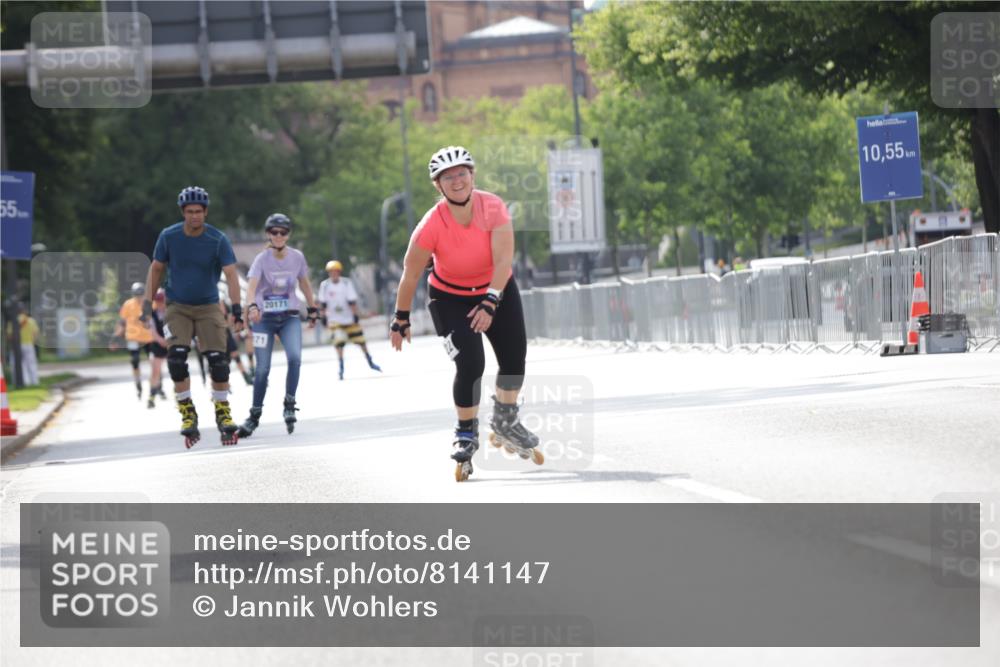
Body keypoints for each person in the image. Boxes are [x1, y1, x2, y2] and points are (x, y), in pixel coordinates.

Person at [390, 145, 543, 482]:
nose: (457, 180)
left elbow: (504, 261)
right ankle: (465, 431)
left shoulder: (493, 207)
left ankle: (506, 420)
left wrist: (490, 302)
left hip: (496, 287)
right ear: (438, 185)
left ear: (473, 176)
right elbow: (410, 273)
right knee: (471, 363)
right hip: (449, 298)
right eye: (448, 177)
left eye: (462, 173)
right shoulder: (431, 224)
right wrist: (401, 318)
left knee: (515, 358)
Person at [142, 185, 244, 447]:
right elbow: (156, 270)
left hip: (209, 306)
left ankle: (223, 412)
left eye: (199, 211)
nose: (194, 216)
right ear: (183, 212)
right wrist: (147, 303)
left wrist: (236, 308)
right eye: (189, 212)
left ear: (206, 212)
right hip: (178, 306)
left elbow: (231, 274)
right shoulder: (169, 236)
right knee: (176, 359)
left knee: (218, 362)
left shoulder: (217, 239)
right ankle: (187, 413)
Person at [237, 213, 319, 438]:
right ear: (268, 234)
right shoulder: (261, 259)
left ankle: (289, 403)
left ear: (288, 235)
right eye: (274, 232)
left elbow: (305, 284)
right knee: (262, 369)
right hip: (264, 321)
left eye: (283, 232)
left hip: (289, 317)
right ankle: (254, 415)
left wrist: (312, 309)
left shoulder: (297, 257)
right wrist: (252, 306)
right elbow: (251, 288)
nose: (279, 236)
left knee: (295, 358)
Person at [317, 259, 381, 380]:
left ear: (339, 272)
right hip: (334, 320)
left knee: (361, 341)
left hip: (348, 318)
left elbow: (352, 301)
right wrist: (324, 317)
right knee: (339, 343)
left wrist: (355, 315)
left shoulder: (346, 283)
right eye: (331, 272)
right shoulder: (325, 285)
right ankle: (341, 367)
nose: (333, 274)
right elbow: (323, 303)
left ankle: (370, 361)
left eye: (335, 271)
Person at [112, 282, 155, 400]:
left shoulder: (150, 304)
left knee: (154, 360)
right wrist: (115, 338)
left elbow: (157, 319)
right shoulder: (128, 304)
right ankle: (138, 385)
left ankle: (157, 385)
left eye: (141, 295)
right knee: (135, 361)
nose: (139, 298)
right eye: (137, 295)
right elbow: (122, 322)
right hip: (133, 337)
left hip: (149, 338)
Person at [145, 288, 169, 408]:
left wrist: (169, 340)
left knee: (177, 366)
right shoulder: (151, 314)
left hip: (171, 343)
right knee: (155, 370)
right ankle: (152, 396)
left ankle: (179, 394)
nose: (160, 303)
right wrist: (161, 340)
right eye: (158, 301)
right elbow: (152, 330)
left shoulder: (172, 313)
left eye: (162, 300)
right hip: (157, 343)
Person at [6, 304, 40, 386]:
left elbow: (10, 336)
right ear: (24, 310)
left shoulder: (13, 321)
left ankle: (21, 382)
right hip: (29, 345)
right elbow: (35, 334)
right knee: (31, 364)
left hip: (17, 346)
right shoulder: (31, 320)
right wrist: (32, 341)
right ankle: (34, 382)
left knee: (17, 365)